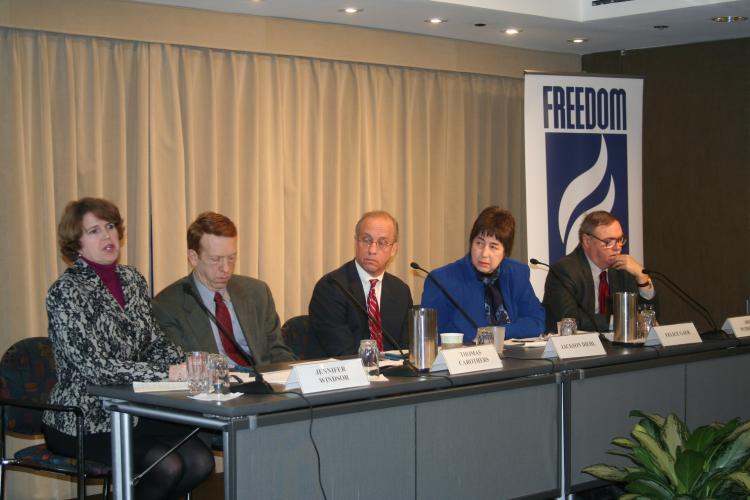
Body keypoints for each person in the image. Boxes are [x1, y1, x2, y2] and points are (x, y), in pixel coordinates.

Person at [42, 197, 214, 499]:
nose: (108, 236)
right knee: (167, 467)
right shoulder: (66, 291)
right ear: (76, 243)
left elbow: (154, 341)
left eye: (109, 227)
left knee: (201, 462)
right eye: (94, 231)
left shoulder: (131, 279)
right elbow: (96, 367)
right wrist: (166, 373)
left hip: (133, 409)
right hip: (83, 416)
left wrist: (192, 364)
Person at [154, 212, 295, 367]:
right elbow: (182, 365)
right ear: (193, 257)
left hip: (263, 384)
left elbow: (278, 352)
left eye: (231, 258)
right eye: (215, 260)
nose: (226, 269)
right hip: (213, 387)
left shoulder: (258, 293)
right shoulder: (168, 305)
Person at [421, 206, 545, 342]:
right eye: (479, 243)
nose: (484, 254)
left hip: (514, 359)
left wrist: (498, 333)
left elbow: (536, 321)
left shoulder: (516, 274)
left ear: (505, 251)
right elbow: (429, 336)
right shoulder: (442, 280)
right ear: (471, 243)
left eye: (493, 246)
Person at [309, 210, 413, 356]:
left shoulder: (400, 291)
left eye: (382, 243)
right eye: (366, 240)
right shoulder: (331, 287)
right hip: (350, 374)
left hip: (396, 375)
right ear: (356, 242)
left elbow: (407, 349)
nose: (372, 250)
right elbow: (341, 352)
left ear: (393, 249)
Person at [542, 210, 657, 332]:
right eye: (608, 242)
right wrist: (621, 322)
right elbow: (570, 319)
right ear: (587, 241)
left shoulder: (623, 268)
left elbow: (650, 316)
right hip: (579, 347)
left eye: (620, 240)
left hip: (617, 346)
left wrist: (642, 277)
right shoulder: (563, 271)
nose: (618, 247)